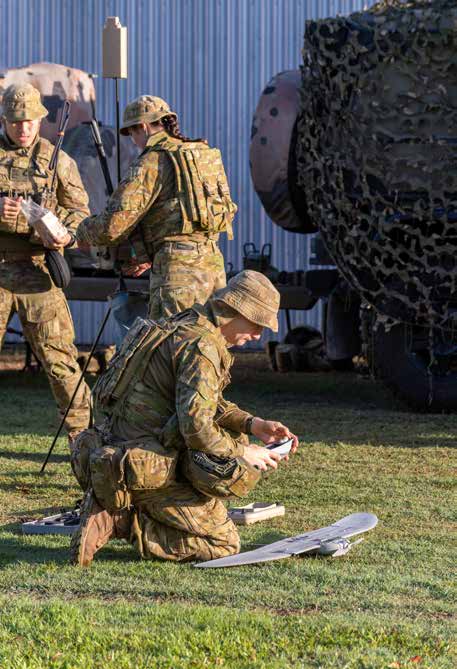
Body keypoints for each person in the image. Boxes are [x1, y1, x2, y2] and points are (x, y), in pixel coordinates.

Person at [70, 270, 298, 566]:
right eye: (257, 324)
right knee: (223, 544)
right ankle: (121, 518)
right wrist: (245, 451)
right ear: (237, 310)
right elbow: (196, 427)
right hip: (145, 464)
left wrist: (252, 424)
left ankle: (120, 501)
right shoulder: (201, 346)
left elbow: (201, 402)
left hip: (120, 448)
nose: (258, 335)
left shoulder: (187, 323)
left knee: (231, 441)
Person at [75, 95, 237, 320]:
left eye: (132, 134)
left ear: (142, 126)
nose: (133, 141)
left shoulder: (152, 161)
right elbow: (180, 214)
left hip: (178, 274)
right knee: (208, 344)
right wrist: (145, 253)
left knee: (173, 344)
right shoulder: (199, 153)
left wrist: (80, 230)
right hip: (213, 266)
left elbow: (112, 226)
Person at [0, 83, 91, 439]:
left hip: (37, 270)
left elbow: (80, 213)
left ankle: (86, 445)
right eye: (15, 121)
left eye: (30, 121)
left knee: (61, 362)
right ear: (5, 119)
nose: (23, 128)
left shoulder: (58, 161)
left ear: (41, 119)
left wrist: (65, 234)